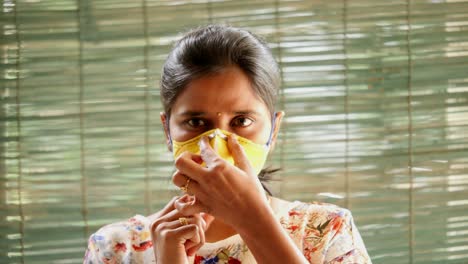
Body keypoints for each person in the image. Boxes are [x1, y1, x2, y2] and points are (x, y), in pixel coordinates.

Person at [83, 24, 372, 264]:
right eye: (196, 122)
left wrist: (253, 220)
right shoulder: (115, 249)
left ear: (274, 129)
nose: (216, 145)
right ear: (167, 131)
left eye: (241, 121)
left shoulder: (326, 230)